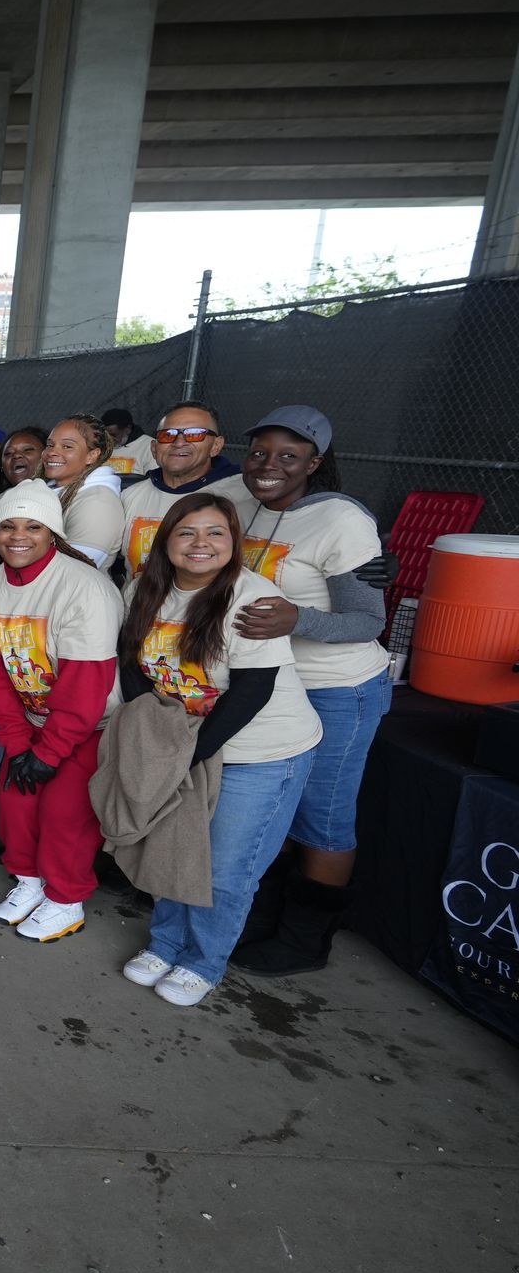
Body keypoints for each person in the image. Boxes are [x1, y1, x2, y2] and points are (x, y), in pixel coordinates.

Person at [115, 493, 322, 1007]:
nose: (200, 544)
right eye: (187, 532)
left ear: (234, 544)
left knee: (228, 867)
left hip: (260, 751)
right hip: (183, 742)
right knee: (172, 845)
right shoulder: (145, 586)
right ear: (167, 540)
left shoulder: (252, 596)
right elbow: (131, 662)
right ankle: (166, 943)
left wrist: (184, 753)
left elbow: (251, 692)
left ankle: (203, 962)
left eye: (215, 533)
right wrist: (160, 737)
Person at [226, 406, 392, 979]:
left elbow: (367, 620)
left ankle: (305, 940)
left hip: (337, 688)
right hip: (269, 685)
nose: (268, 465)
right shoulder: (241, 498)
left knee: (321, 816)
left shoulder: (339, 520)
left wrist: (297, 619)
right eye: (259, 453)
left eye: (288, 456)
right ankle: (258, 915)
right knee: (268, 809)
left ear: (314, 463)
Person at [0, 482, 122, 943]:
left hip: (90, 725)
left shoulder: (84, 586)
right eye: (8, 526)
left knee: (64, 811)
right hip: (29, 724)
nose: (19, 535)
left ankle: (66, 898)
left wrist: (51, 751)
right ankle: (30, 881)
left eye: (33, 526)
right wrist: (17, 742)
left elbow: (85, 684)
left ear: (53, 532)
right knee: (16, 799)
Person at [117, 400, 240, 576]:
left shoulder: (243, 495)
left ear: (216, 446)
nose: (179, 442)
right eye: (168, 435)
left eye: (194, 434)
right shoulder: (130, 496)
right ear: (154, 448)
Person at [43, 414, 125, 568]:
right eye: (50, 445)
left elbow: (76, 571)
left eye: (67, 446)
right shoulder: (50, 490)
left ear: (92, 455)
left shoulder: (98, 503)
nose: (52, 452)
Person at [102, 408, 158, 475]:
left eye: (114, 435)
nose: (109, 438)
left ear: (128, 429)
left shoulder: (148, 446)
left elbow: (153, 479)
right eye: (106, 435)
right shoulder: (101, 446)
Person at [0, 426, 47, 492]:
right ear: (2, 467)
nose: (16, 455)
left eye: (27, 450)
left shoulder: (59, 496)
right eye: (8, 453)